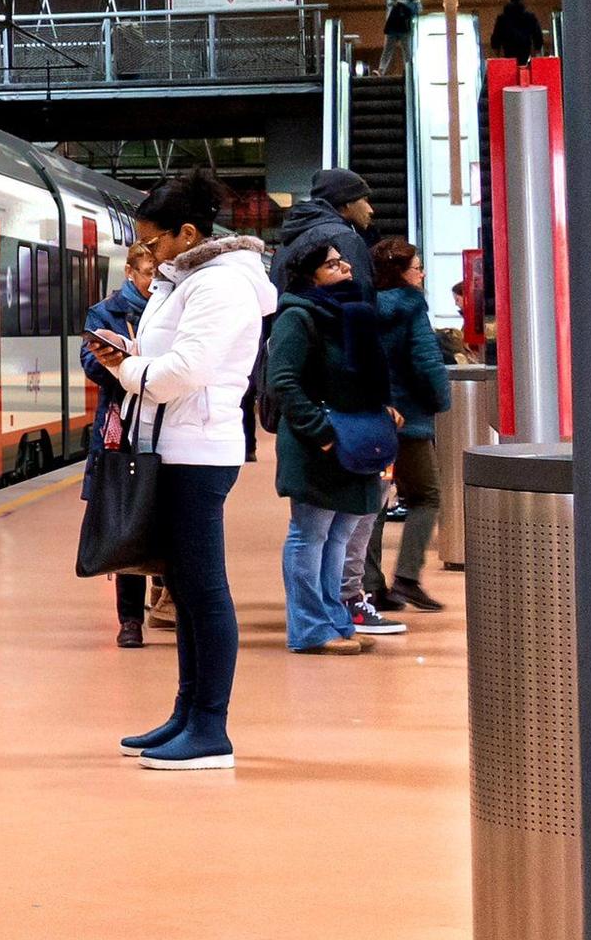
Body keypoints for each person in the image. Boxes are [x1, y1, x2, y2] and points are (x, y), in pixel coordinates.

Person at [88, 170, 277, 771]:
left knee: (204, 590)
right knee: (188, 595)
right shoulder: (186, 280)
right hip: (173, 446)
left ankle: (211, 728)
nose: (147, 253)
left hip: (197, 451)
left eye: (154, 241)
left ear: (187, 232)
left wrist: (127, 370)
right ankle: (187, 712)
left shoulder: (220, 286)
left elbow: (184, 372)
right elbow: (168, 361)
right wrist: (132, 356)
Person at [267, 243, 398, 656]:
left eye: (342, 260)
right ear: (310, 275)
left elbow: (366, 377)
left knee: (339, 533)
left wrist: (382, 409)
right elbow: (283, 382)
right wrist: (321, 432)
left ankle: (335, 620)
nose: (343, 266)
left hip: (353, 440)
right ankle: (308, 628)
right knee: (311, 533)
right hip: (319, 444)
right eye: (331, 263)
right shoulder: (297, 317)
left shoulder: (353, 313)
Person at [361, 240, 453, 612]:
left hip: (375, 414)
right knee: (426, 496)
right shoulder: (412, 308)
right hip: (410, 418)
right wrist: (440, 400)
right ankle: (408, 579)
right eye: (417, 267)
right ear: (401, 272)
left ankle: (369, 584)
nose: (422, 273)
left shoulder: (364, 306)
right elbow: (426, 361)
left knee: (374, 502)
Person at [79, 243, 159, 649]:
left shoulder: (175, 304)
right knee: (129, 518)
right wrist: (126, 361)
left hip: (168, 424)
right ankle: (130, 619)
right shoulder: (107, 311)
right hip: (122, 426)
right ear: (131, 272)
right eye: (148, 273)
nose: (155, 281)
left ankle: (165, 596)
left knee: (167, 517)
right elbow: (92, 364)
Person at [276, 168, 377, 297]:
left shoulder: (289, 239)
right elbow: (361, 294)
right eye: (365, 200)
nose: (370, 210)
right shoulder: (345, 237)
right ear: (347, 202)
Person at [379, 0, 422, 75]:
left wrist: (404, 5)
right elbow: (388, 10)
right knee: (387, 49)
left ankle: (409, 71)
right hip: (392, 26)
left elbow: (418, 8)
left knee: (407, 50)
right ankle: (381, 70)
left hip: (404, 26)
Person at [490, 0, 545, 64]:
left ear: (510, 1)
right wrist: (537, 47)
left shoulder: (502, 18)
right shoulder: (530, 17)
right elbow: (537, 34)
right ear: (522, 1)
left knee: (510, 69)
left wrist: (496, 48)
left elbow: (496, 35)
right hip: (525, 48)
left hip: (508, 48)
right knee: (524, 67)